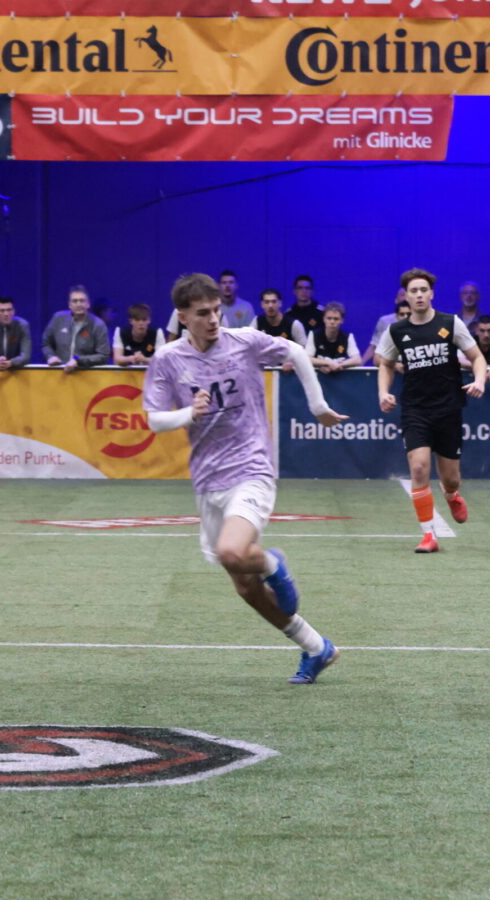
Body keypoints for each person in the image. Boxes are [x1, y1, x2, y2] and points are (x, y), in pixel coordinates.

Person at [143, 273, 347, 685]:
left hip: (251, 467)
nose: (213, 320)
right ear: (182, 317)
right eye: (203, 313)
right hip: (208, 479)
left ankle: (273, 563)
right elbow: (154, 419)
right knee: (245, 587)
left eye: (216, 310)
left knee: (234, 552)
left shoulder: (244, 341)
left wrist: (317, 405)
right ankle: (315, 647)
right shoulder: (167, 359)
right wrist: (188, 414)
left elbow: (295, 350)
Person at [376, 268, 487, 553]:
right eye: (413, 291)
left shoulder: (450, 323)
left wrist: (479, 380)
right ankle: (428, 535)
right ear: (406, 296)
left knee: (450, 477)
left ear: (432, 294)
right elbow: (385, 364)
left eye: (423, 290)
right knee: (419, 467)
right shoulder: (396, 331)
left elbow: (477, 357)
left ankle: (451, 494)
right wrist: (383, 392)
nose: (419, 295)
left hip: (448, 408)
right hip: (415, 409)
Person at [43, 284, 110, 372]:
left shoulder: (98, 325)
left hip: (86, 374)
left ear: (88, 304)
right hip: (59, 373)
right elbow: (46, 343)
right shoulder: (58, 319)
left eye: (82, 301)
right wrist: (50, 356)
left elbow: (103, 355)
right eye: (75, 301)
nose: (78, 304)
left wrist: (78, 360)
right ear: (69, 305)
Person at [166, 269, 253, 337]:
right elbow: (172, 338)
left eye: (231, 282)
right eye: (203, 313)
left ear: (236, 285)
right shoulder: (179, 312)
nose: (213, 320)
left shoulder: (243, 308)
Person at [306, 302, 362, 373]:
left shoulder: (347, 337)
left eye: (336, 319)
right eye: (329, 318)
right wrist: (327, 363)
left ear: (342, 320)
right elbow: (307, 359)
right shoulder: (314, 335)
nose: (332, 322)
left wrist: (339, 365)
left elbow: (357, 360)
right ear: (324, 319)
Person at [363, 291, 409, 366]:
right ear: (396, 300)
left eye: (408, 294)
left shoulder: (420, 323)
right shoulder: (385, 323)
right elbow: (375, 346)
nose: (405, 298)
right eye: (402, 295)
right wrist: (362, 363)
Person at [0, 297, 31, 371]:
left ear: (14, 311)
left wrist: (11, 362)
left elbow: (26, 355)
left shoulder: (22, 325)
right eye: (2, 311)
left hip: (16, 370)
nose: (6, 314)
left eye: (9, 310)